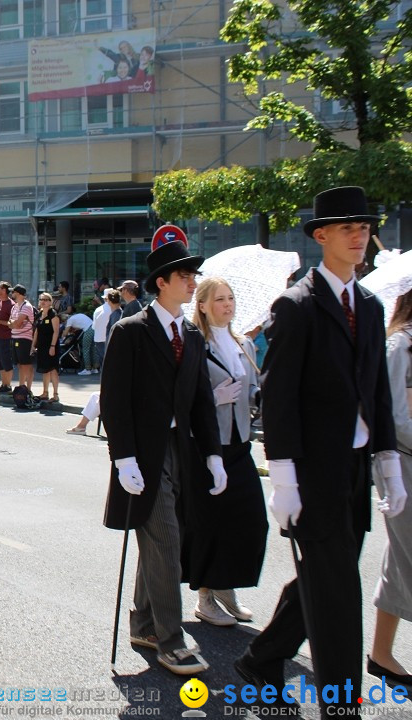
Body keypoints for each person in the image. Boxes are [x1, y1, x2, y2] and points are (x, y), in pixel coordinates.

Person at [237, 187, 402, 718]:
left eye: (365, 228)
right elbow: (279, 396)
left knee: (325, 575)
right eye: (348, 228)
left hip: (353, 467)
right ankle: (341, 706)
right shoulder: (297, 304)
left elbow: (375, 388)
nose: (360, 236)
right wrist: (283, 477)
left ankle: (262, 659)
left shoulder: (371, 305)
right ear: (321, 236)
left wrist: (387, 462)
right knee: (338, 593)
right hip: (310, 470)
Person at [100, 236, 226, 675]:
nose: (193, 283)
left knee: (162, 539)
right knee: (166, 539)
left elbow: (201, 401)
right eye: (185, 276)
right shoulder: (131, 331)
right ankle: (171, 640)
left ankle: (144, 622)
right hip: (144, 455)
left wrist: (213, 454)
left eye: (193, 276)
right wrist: (124, 458)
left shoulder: (190, 333)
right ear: (162, 282)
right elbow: (114, 399)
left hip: (180, 451)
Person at [184, 277, 268, 627]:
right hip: (206, 445)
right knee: (210, 523)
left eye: (231, 298)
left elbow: (251, 393)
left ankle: (226, 586)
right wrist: (211, 399)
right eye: (220, 299)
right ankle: (206, 595)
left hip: (239, 445)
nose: (228, 305)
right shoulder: (193, 345)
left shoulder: (244, 344)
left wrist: (258, 397)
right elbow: (184, 397)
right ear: (202, 305)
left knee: (251, 521)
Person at [368, 288, 412, 691]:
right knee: (406, 556)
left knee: (400, 560)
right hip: (402, 462)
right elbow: (393, 415)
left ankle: (381, 653)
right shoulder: (400, 345)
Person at [32, 292, 60, 402]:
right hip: (42, 346)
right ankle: (45, 392)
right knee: (45, 370)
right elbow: (36, 332)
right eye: (41, 299)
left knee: (53, 369)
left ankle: (55, 394)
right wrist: (33, 346)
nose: (43, 301)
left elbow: (56, 332)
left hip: (51, 345)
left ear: (50, 302)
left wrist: (52, 346)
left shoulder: (53, 314)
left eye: (46, 300)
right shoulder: (39, 314)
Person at [9, 285, 35, 391]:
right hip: (14, 337)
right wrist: (13, 324)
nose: (11, 294)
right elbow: (10, 323)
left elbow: (17, 323)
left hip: (24, 338)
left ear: (18, 293)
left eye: (13, 292)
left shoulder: (27, 306)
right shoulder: (14, 306)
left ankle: (27, 389)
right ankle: (21, 387)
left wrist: (13, 323)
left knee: (26, 365)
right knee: (20, 365)